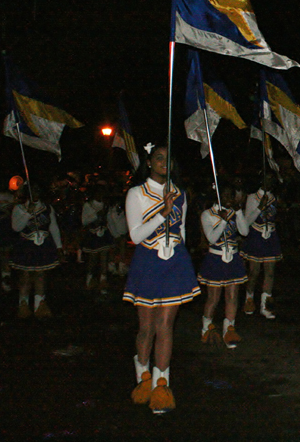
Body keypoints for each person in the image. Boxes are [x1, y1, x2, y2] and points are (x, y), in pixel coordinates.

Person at [123, 143, 200, 414]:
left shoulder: (179, 193)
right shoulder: (136, 193)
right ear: (149, 162)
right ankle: (143, 377)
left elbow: (182, 230)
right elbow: (135, 235)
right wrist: (162, 214)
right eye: (158, 158)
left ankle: (161, 386)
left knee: (166, 325)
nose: (163, 163)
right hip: (147, 262)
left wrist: (180, 254)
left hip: (174, 261)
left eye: (168, 159)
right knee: (147, 327)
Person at [198, 183, 249, 348]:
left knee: (232, 296)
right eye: (225, 195)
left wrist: (239, 213)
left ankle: (229, 330)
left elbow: (245, 232)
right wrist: (223, 220)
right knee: (213, 298)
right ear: (217, 196)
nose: (228, 199)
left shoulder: (234, 212)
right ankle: (206, 328)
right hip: (216, 258)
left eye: (231, 195)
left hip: (233, 258)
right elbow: (212, 238)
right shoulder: (207, 214)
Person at [9, 183, 63, 319]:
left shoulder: (47, 208)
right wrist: (28, 213)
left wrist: (59, 246)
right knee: (25, 276)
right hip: (26, 245)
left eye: (38, 190)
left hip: (43, 245)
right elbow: (16, 227)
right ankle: (23, 305)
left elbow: (53, 227)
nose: (35, 193)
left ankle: (39, 306)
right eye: (32, 190)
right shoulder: (19, 208)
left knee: (41, 275)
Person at [241, 173, 281, 319]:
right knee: (254, 272)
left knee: (270, 272)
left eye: (271, 179)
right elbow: (247, 221)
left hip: (270, 236)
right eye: (267, 178)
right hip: (256, 236)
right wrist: (259, 207)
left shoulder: (274, 198)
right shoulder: (252, 197)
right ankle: (249, 300)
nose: (269, 181)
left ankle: (265, 306)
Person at [81, 181, 114, 293]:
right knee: (93, 260)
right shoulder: (88, 205)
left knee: (104, 259)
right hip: (93, 235)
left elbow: (109, 220)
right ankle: (89, 282)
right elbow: (84, 221)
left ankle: (103, 284)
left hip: (103, 234)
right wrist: (96, 215)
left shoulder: (106, 205)